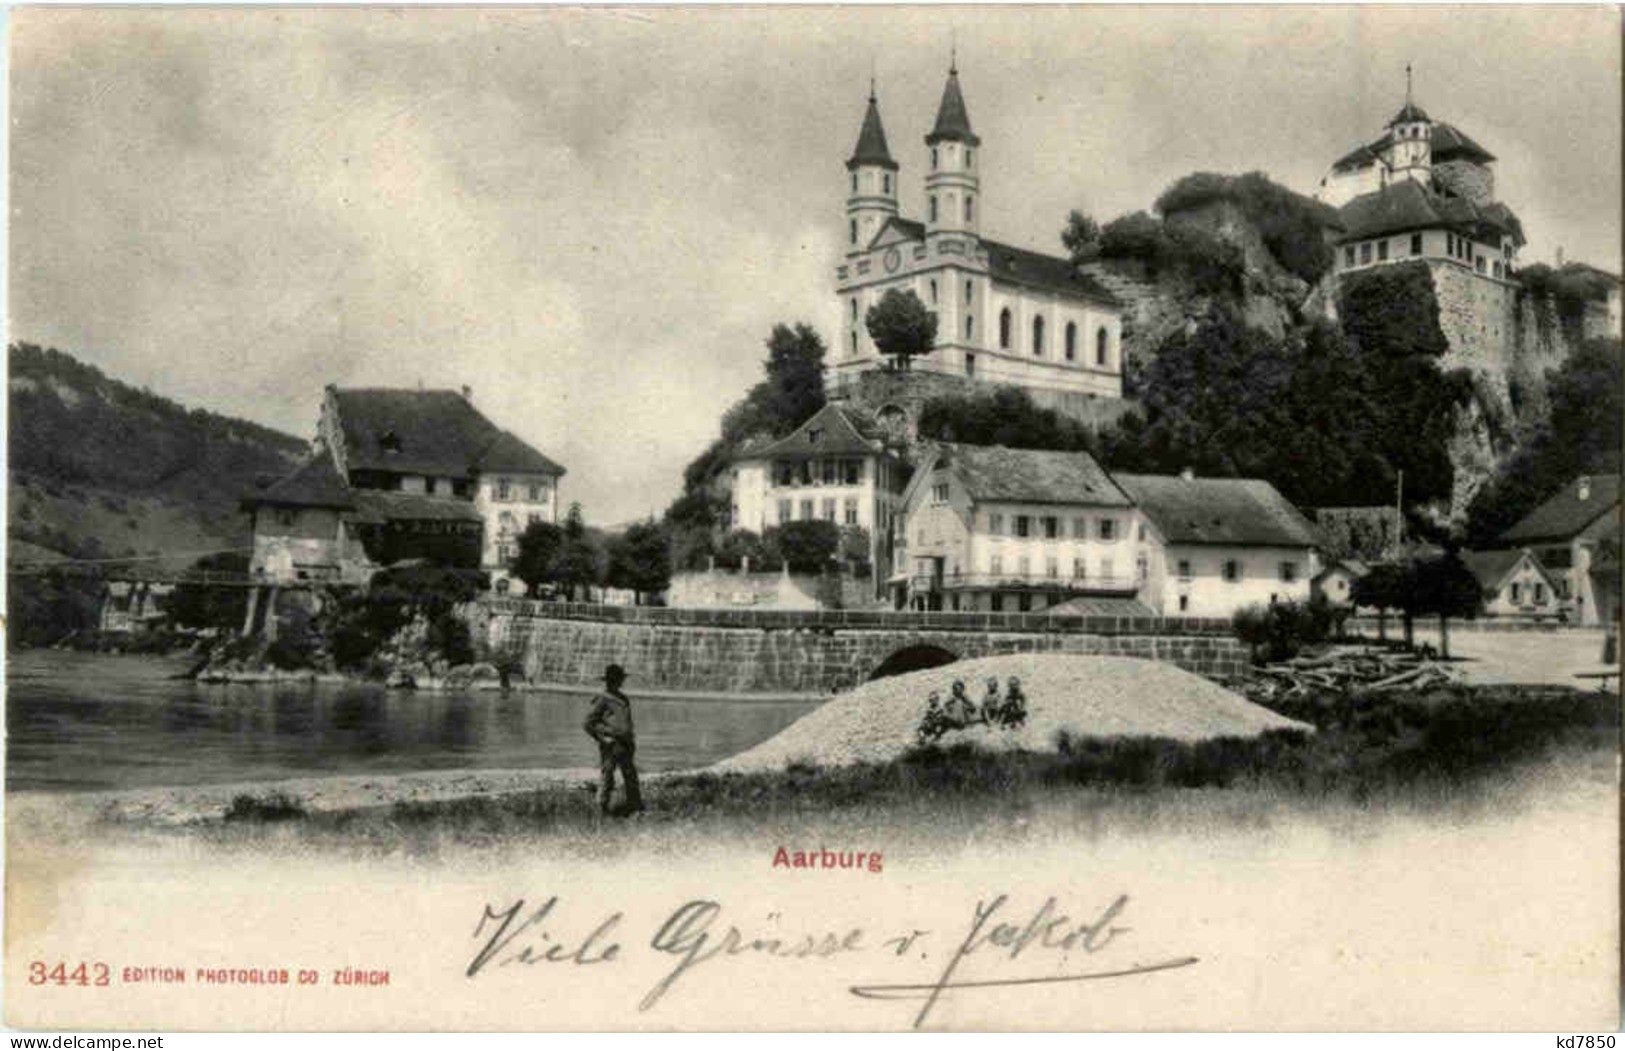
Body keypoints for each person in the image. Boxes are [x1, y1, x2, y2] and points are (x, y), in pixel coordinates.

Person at [583, 663, 643, 816]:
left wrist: (631, 740)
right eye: (616, 679)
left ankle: (635, 808)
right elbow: (588, 723)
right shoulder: (602, 699)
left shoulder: (624, 699)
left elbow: (627, 722)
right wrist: (602, 738)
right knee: (607, 777)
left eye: (619, 679)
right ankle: (600, 809)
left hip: (626, 744)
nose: (618, 682)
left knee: (631, 776)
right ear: (609, 681)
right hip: (611, 744)